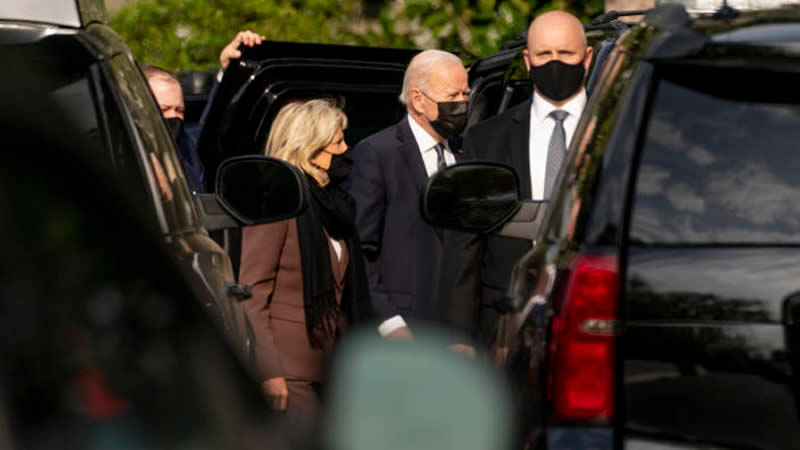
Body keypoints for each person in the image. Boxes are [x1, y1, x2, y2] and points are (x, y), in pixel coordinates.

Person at [238, 99, 410, 418]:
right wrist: (268, 371)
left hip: (331, 368)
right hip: (290, 370)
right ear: (310, 148)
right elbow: (253, 293)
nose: (346, 150)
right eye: (338, 142)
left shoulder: (333, 206)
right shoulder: (277, 201)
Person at [440, 10, 593, 355]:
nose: (555, 63)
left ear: (587, 57)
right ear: (527, 60)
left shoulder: (613, 133)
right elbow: (464, 242)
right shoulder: (486, 139)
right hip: (503, 322)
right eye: (544, 54)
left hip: (590, 314)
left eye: (566, 53)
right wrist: (459, 336)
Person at [348, 49, 470, 329]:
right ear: (417, 99)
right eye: (452, 96)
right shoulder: (379, 154)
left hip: (460, 331)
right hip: (404, 324)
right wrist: (390, 323)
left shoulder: (468, 150)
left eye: (465, 94)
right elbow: (360, 250)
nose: (462, 104)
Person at [143, 65, 206, 193]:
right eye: (164, 109)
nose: (173, 116)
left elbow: (209, 130)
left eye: (179, 110)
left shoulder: (187, 145)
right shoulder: (128, 149)